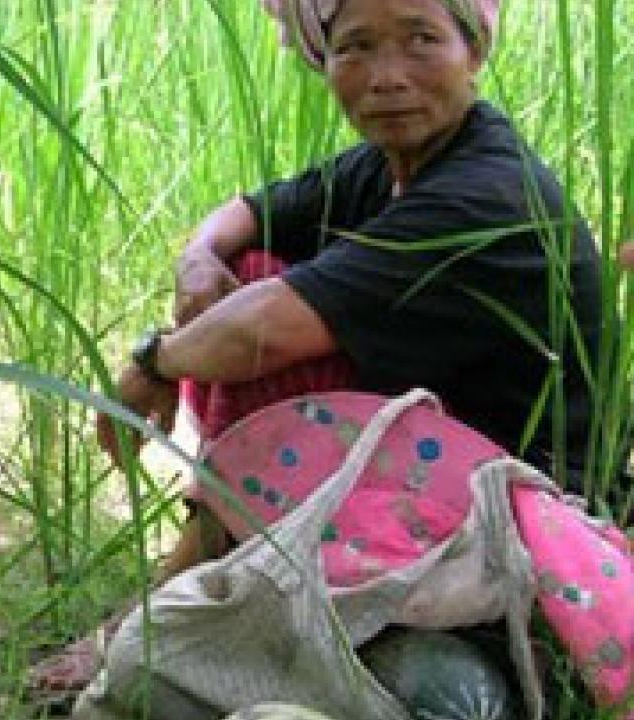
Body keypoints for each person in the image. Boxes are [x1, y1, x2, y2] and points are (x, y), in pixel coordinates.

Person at [30, 0, 610, 701]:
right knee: (251, 267)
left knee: (261, 324)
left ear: (475, 51)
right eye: (356, 47)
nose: (387, 76)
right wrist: (198, 258)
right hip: (426, 470)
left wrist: (153, 361)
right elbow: (249, 213)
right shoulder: (394, 165)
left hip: (519, 521)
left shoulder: (485, 193)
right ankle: (211, 578)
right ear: (324, 60)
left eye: (422, 40)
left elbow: (263, 331)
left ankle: (178, 598)